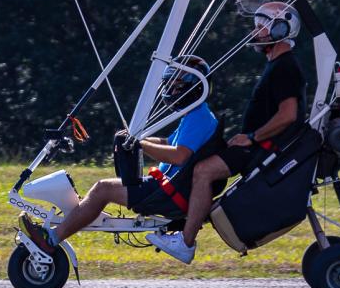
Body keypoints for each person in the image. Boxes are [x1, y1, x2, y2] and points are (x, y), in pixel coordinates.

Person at [146, 0, 306, 264]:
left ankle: (185, 241)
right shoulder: (277, 65)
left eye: (262, 27)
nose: (256, 32)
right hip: (254, 145)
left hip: (260, 148)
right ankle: (177, 220)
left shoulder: (285, 66)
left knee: (202, 170)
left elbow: (288, 115)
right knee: (199, 159)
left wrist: (252, 137)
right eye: (256, 26)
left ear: (281, 30)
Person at [19, 55, 218, 254]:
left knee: (102, 190)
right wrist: (139, 140)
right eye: (170, 85)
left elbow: (179, 156)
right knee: (100, 191)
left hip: (167, 194)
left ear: (193, 88)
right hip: (166, 187)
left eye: (176, 86)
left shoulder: (198, 117)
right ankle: (76, 217)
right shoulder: (195, 115)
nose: (171, 91)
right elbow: (168, 143)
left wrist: (140, 144)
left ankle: (51, 240)